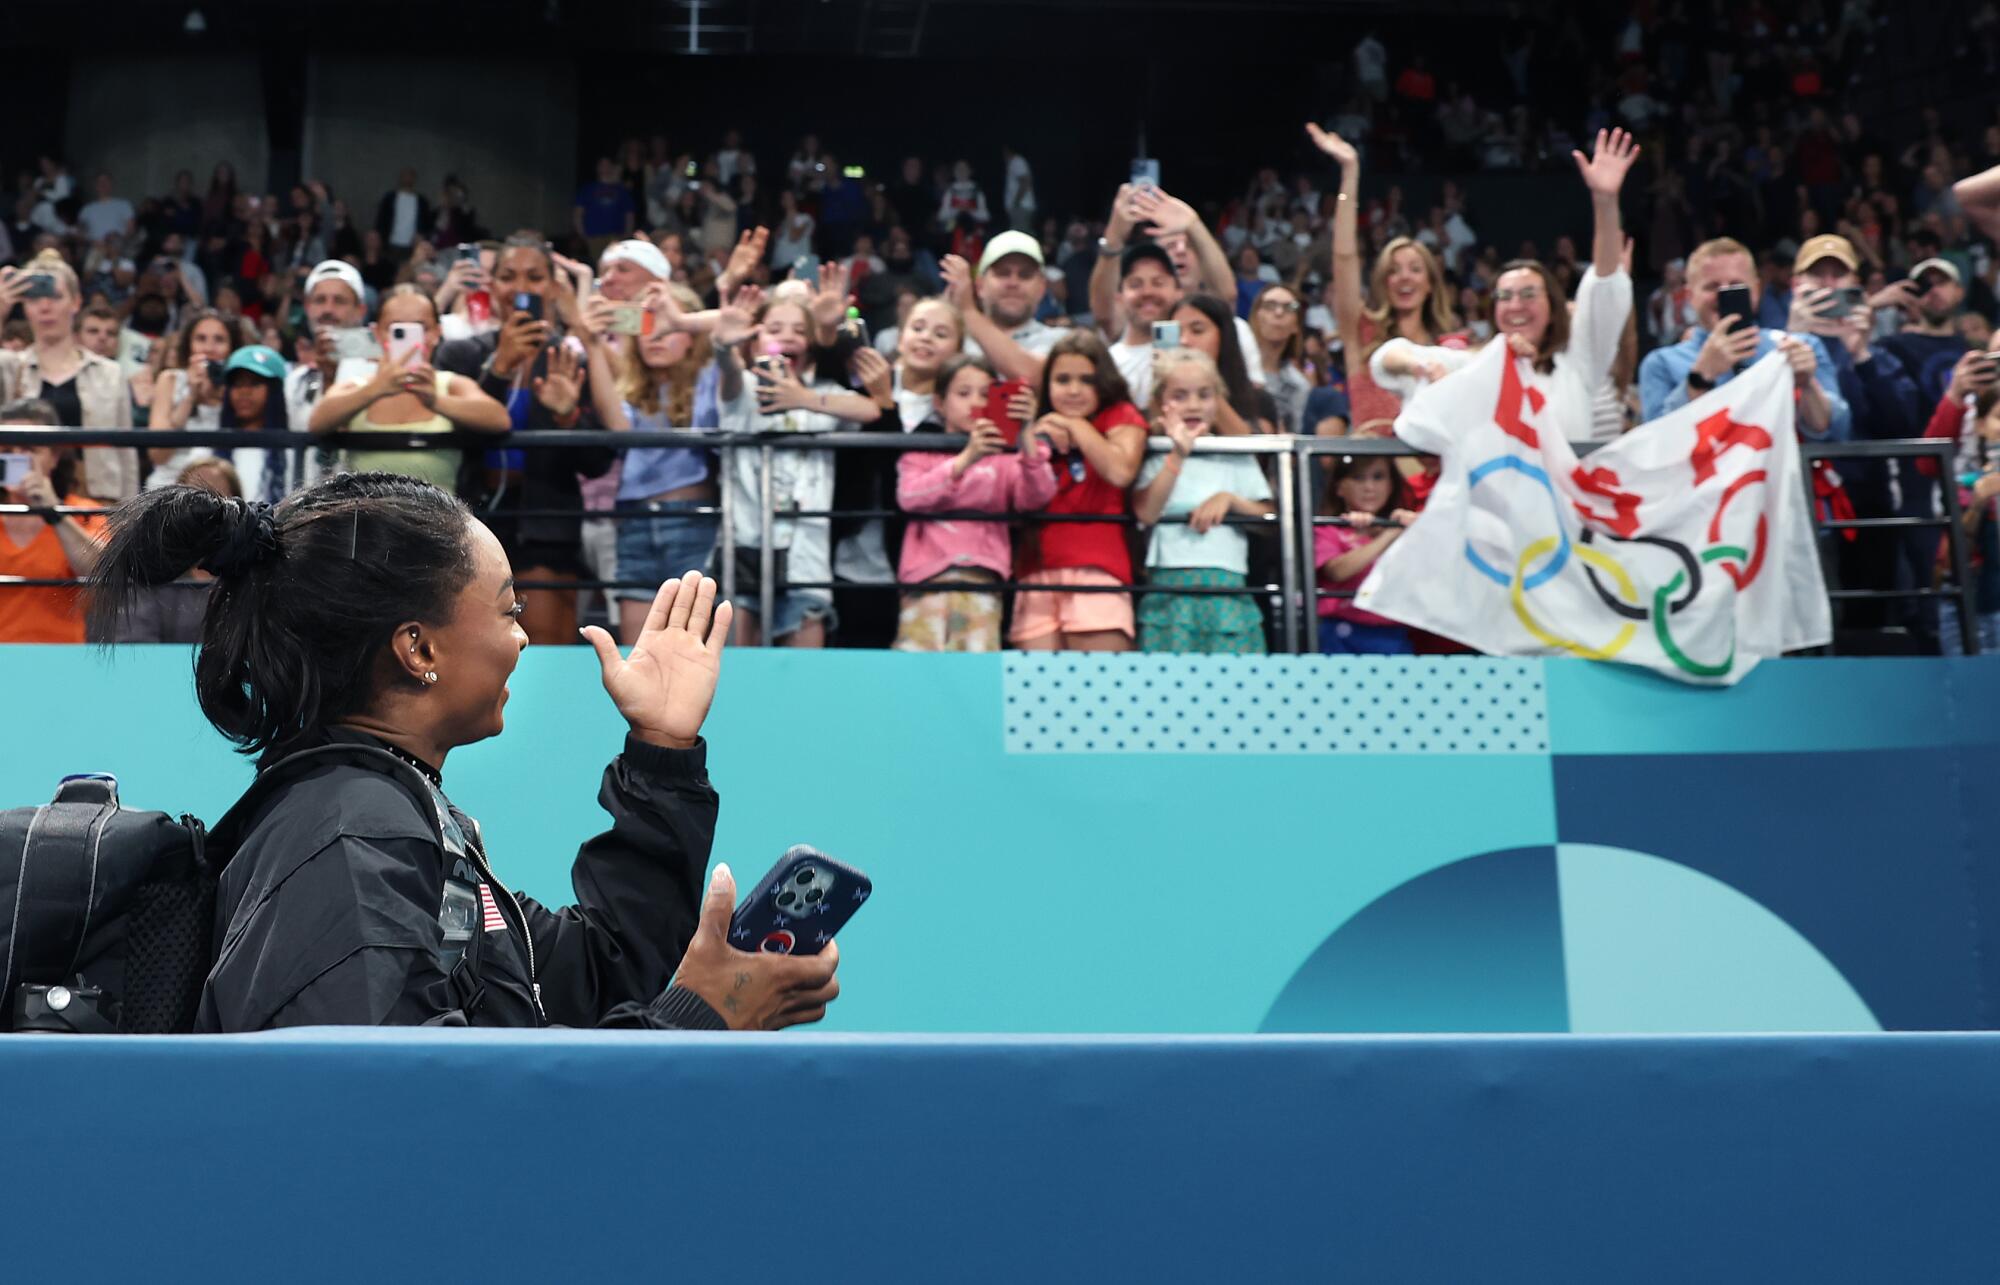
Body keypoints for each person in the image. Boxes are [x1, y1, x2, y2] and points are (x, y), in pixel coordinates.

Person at [88, 475, 841, 1031]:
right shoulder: (354, 839)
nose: (521, 635)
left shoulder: (391, 820)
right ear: (419, 647)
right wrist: (703, 1014)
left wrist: (662, 751)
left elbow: (597, 973)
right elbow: (421, 1132)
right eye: (509, 608)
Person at [1370, 128, 1640, 447]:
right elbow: (1384, 358)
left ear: (1553, 309)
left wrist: (1605, 203)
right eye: (1505, 296)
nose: (1515, 306)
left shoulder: (1579, 363)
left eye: (1529, 295)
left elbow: (1605, 286)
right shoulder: (1477, 364)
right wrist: (1422, 365)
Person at [435, 233, 610, 647]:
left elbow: (600, 461)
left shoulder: (569, 360)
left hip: (548, 527)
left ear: (552, 287)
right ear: (492, 287)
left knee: (546, 651)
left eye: (534, 277)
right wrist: (498, 369)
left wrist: (568, 415)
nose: (521, 288)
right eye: (508, 276)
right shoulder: (458, 355)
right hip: (472, 523)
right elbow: (458, 437)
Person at [583, 280, 746, 645]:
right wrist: (592, 342)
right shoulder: (633, 387)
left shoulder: (710, 377)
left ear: (690, 335)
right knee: (636, 651)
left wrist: (685, 318)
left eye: (669, 327)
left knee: (692, 647)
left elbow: (733, 323)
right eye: (646, 326)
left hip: (692, 521)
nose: (655, 335)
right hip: (633, 521)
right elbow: (618, 426)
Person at [718, 294, 884, 648]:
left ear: (809, 344)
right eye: (774, 328)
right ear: (754, 341)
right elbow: (729, 372)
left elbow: (871, 410)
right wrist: (722, 348)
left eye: (798, 329)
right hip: (745, 545)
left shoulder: (823, 393)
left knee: (805, 669)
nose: (788, 336)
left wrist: (803, 399)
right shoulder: (744, 387)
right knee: (734, 665)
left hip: (805, 555)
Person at [1308, 123, 1466, 437]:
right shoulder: (1362, 332)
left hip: (1436, 479)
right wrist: (1350, 172)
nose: (1404, 277)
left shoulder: (1449, 348)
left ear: (1431, 283)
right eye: (1394, 270)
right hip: (1375, 478)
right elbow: (1344, 258)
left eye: (1415, 269)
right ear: (1383, 282)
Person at [893, 354, 1057, 652]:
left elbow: (1036, 497)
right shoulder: (920, 448)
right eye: (963, 393)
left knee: (975, 668)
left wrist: (1027, 436)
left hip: (982, 576)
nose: (974, 403)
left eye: (985, 394)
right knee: (917, 672)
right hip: (925, 578)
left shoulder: (1007, 457)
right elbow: (909, 496)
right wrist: (967, 458)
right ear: (939, 403)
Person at [1009, 331, 1148, 652]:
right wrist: (1032, 433)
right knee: (1037, 695)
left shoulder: (1121, 415)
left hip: (1098, 569)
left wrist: (1073, 425)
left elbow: (1120, 470)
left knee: (1100, 694)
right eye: (1062, 379)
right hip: (1034, 570)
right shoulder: (1034, 427)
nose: (1074, 390)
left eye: (1086, 380)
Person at [1637, 236, 1851, 443]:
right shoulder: (1661, 364)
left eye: (1736, 284)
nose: (1724, 294)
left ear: (1756, 290)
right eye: (1712, 286)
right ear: (1690, 295)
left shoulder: (1801, 347)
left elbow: (1838, 431)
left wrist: (1808, 385)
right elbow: (1656, 447)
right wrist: (1701, 377)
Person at [1131, 348, 1273, 654]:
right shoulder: (1154, 452)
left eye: (1204, 395)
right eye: (1180, 396)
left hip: (1229, 592)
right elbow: (1145, 512)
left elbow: (1269, 521)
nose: (1193, 405)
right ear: (1160, 402)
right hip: (1168, 593)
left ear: (1218, 402)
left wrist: (1231, 500)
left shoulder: (1234, 454)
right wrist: (1178, 454)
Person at [310, 286, 510, 490]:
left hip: (439, 519)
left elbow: (499, 419)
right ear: (377, 333)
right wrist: (376, 389)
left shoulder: (451, 385)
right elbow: (318, 421)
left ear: (437, 333)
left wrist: (436, 401)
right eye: (397, 329)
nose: (409, 338)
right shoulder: (356, 386)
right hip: (366, 519)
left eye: (420, 328)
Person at [0, 253, 137, 502]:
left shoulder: (109, 372)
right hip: (22, 497)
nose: (45, 306)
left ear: (76, 302)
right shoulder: (9, 366)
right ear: (24, 306)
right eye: (34, 297)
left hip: (97, 499)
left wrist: (131, 517)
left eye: (54, 295)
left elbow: (125, 452)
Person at [0, 398, 104, 643]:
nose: (17, 458)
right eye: (6, 450)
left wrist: (53, 513)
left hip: (60, 660)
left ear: (54, 456)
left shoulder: (84, 512)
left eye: (28, 449)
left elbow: (102, 571)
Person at [1313, 455, 1418, 655]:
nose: (1369, 487)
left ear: (1391, 485)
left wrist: (1421, 527)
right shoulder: (1328, 528)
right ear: (1339, 487)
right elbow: (1337, 571)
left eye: (1378, 477)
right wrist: (1388, 536)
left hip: (1396, 636)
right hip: (1341, 637)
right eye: (1358, 478)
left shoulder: (1406, 527)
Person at [938, 231, 1064, 382]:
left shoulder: (1061, 342)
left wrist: (967, 310)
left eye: (1025, 275)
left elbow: (1037, 378)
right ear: (980, 286)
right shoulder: (954, 341)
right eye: (1002, 273)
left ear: (1042, 288)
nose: (1013, 283)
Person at [147, 307, 241, 487]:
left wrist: (220, 395)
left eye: (219, 340)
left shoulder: (238, 389)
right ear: (189, 345)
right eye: (201, 339)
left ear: (232, 347)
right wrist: (190, 396)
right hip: (169, 486)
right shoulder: (170, 380)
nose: (209, 348)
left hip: (223, 490)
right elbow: (157, 455)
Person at [1246, 282, 1312, 432]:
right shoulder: (1235, 368)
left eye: (1289, 308)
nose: (1278, 312)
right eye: (1270, 305)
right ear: (1256, 316)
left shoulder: (1299, 384)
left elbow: (1296, 434)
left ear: (1296, 325)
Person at [575, 157, 638, 260]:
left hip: (616, 236)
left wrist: (627, 234)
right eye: (602, 165)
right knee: (598, 262)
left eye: (607, 165)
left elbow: (629, 214)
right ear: (597, 168)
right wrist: (582, 233)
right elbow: (578, 213)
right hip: (594, 236)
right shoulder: (588, 189)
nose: (605, 168)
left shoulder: (621, 190)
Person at [374, 168, 432, 260]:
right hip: (391, 244)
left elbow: (427, 223)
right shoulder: (390, 198)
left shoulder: (421, 201)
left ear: (414, 179)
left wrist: (422, 237)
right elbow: (381, 219)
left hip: (413, 246)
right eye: (405, 175)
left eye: (410, 176)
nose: (407, 178)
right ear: (400, 178)